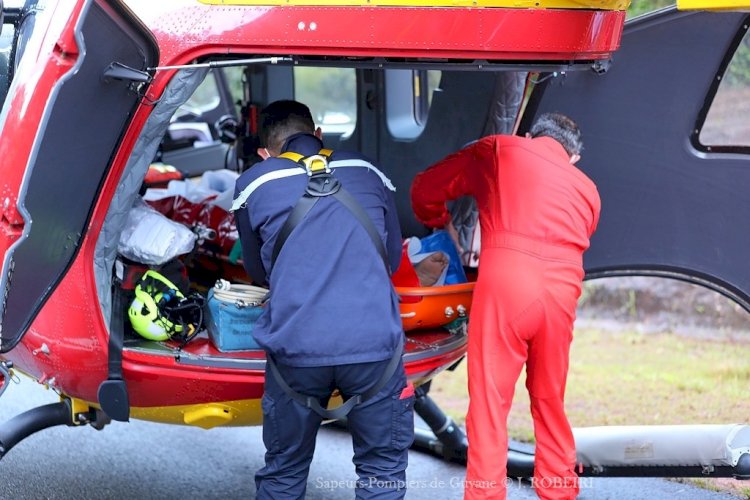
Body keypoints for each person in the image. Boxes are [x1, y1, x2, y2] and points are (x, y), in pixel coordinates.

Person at [410, 113, 600, 499]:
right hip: (562, 295)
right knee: (549, 400)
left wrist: (439, 221)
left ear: (530, 136)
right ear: (574, 158)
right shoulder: (589, 190)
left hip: (507, 288)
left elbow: (425, 187)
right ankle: (560, 492)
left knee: (490, 405)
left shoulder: (501, 149)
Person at [232, 100, 413, 499]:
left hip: (296, 349)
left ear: (265, 152)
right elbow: (393, 259)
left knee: (284, 472)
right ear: (318, 135)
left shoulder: (253, 183)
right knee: (381, 472)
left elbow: (258, 273)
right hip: (374, 348)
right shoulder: (368, 170)